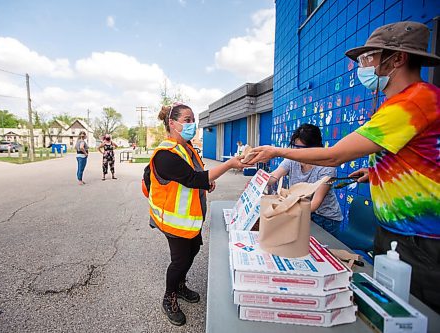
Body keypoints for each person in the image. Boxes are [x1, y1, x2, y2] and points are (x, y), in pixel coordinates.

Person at [245, 21, 439, 313]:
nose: (363, 66)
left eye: (369, 58)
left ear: (398, 58)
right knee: (393, 311)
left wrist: (273, 150)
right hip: (396, 232)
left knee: (414, 313)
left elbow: (333, 156)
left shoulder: (414, 102)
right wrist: (373, 174)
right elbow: (416, 161)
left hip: (419, 239)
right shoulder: (395, 104)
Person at [146, 102, 244, 326]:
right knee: (179, 261)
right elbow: (193, 178)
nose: (193, 124)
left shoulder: (187, 147)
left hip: (191, 217)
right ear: (172, 123)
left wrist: (206, 184)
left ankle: (180, 286)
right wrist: (228, 164)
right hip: (173, 220)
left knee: (193, 250)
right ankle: (169, 297)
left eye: (193, 120)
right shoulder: (165, 155)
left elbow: (197, 176)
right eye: (187, 120)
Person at [269, 124, 343, 236]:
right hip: (300, 210)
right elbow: (274, 176)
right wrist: (259, 180)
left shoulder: (327, 168)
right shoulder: (292, 160)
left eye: (300, 149)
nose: (296, 152)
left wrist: (284, 209)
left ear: (315, 147)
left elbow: (314, 204)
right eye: (295, 147)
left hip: (326, 218)